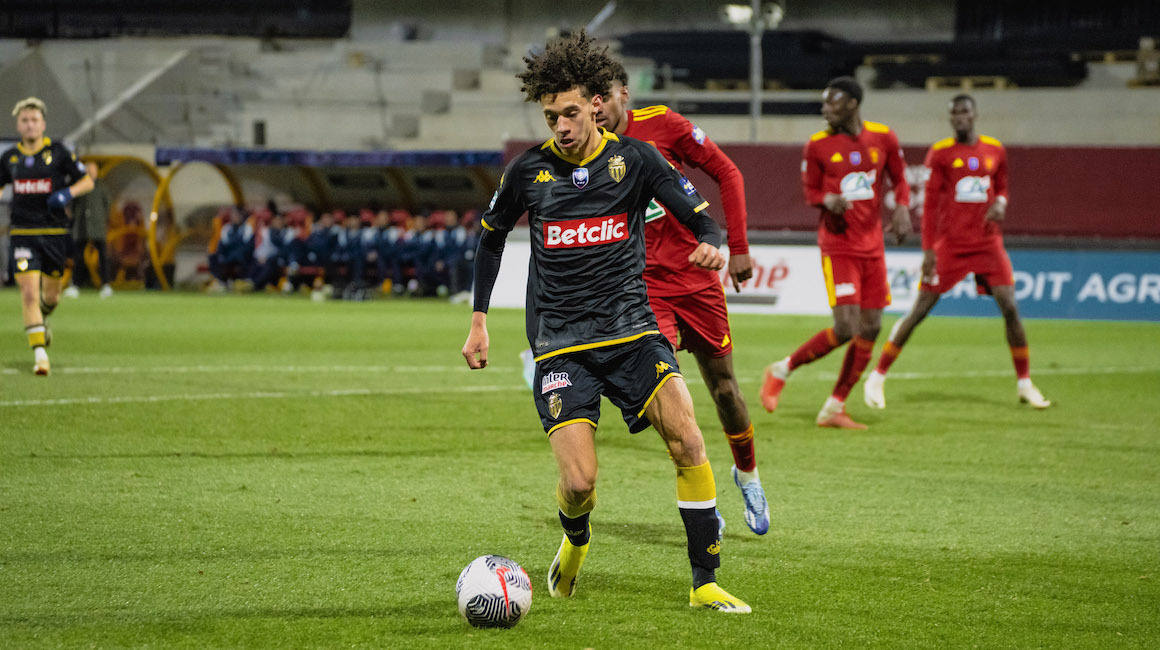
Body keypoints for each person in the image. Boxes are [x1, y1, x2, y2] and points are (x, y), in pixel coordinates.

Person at [461, 30, 750, 613]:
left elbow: (700, 216)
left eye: (570, 113)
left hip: (633, 332)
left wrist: (713, 242)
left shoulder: (636, 160)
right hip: (561, 344)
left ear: (597, 104)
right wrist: (479, 319)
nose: (561, 127)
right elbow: (491, 240)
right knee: (579, 484)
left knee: (689, 439)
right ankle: (575, 542)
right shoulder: (528, 172)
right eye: (551, 117)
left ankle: (704, 583)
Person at [593, 62, 769, 535]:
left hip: (697, 276)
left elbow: (727, 172)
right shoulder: (587, 152)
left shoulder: (664, 126)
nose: (597, 108)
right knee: (664, 393)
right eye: (590, 100)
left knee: (725, 389)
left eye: (604, 95)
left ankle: (748, 475)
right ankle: (703, 495)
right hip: (644, 287)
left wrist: (738, 247)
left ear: (624, 94)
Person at [863, 95, 1050, 410]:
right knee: (919, 311)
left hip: (988, 243)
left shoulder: (995, 149)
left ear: (975, 114)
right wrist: (928, 250)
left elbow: (1002, 186)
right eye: (954, 113)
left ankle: (1025, 384)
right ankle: (877, 376)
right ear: (950, 118)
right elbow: (930, 205)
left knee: (1010, 307)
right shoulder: (941, 153)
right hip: (950, 246)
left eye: (964, 112)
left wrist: (1001, 202)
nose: (960, 117)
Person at [759, 76, 912, 429]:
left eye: (833, 102)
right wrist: (827, 199)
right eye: (824, 102)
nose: (825, 109)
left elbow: (901, 179)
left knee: (872, 326)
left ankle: (834, 407)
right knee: (846, 327)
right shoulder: (817, 145)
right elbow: (810, 192)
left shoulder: (884, 137)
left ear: (853, 104)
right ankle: (782, 369)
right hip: (838, 245)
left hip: (872, 246)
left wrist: (903, 207)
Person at [1, 97, 94, 375]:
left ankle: (42, 319)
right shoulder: (10, 158)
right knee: (29, 294)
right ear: (18, 125)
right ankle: (40, 355)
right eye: (25, 120)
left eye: (34, 120)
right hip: (23, 233)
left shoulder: (59, 153)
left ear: (43, 124)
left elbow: (87, 181)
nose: (30, 125)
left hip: (54, 233)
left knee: (51, 297)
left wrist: (67, 193)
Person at [65, 160, 113, 298]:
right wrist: (73, 217)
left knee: (103, 257)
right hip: (81, 227)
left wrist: (102, 219)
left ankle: (106, 285)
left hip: (98, 227)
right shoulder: (80, 185)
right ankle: (75, 285)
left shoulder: (101, 187)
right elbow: (72, 204)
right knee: (78, 257)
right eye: (89, 171)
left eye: (93, 171)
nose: (91, 173)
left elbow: (107, 205)